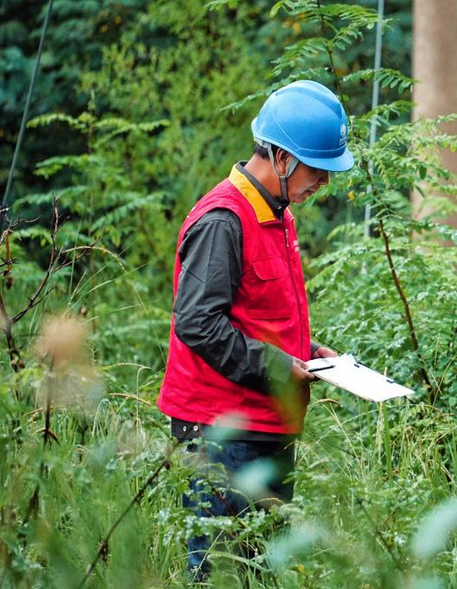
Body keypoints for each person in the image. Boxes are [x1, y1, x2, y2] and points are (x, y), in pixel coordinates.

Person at [156, 80, 353, 577]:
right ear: (282, 159)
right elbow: (197, 322)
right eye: (317, 169)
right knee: (222, 570)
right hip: (222, 430)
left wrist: (307, 351)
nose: (323, 184)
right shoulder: (224, 219)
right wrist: (277, 365)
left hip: (264, 424)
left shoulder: (277, 213)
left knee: (259, 570)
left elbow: (255, 313)